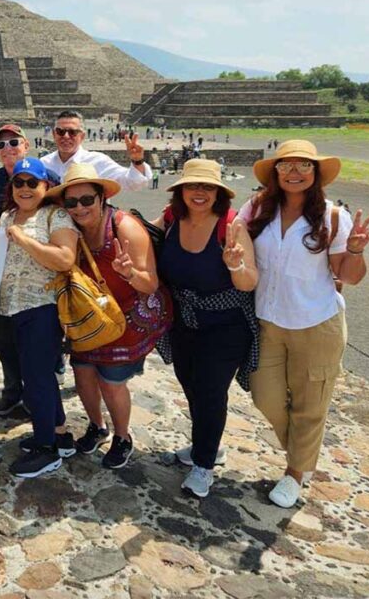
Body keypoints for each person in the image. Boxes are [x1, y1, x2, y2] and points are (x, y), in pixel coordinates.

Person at [240, 140, 369, 508]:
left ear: (315, 173)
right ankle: (303, 452)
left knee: (310, 404)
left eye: (304, 166)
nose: (295, 172)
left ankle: (296, 472)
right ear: (275, 172)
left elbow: (349, 275)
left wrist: (357, 249)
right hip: (267, 321)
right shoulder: (255, 209)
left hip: (316, 323)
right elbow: (233, 240)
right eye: (287, 165)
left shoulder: (332, 217)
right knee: (265, 396)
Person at [50, 163, 168, 469]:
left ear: (102, 198)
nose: (79, 208)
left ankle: (123, 436)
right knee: (83, 372)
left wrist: (129, 273)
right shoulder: (69, 228)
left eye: (87, 200)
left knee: (111, 381)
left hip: (126, 315)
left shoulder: (123, 227)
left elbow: (150, 283)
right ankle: (96, 425)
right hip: (89, 314)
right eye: (71, 202)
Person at [152, 160, 258, 498]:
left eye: (207, 187)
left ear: (218, 193)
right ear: (181, 190)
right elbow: (138, 232)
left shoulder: (232, 226)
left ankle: (204, 465)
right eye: (192, 186)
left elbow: (248, 282)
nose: (199, 193)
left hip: (226, 324)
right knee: (191, 385)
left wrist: (235, 264)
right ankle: (206, 445)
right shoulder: (170, 219)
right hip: (184, 320)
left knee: (212, 392)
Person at [0, 157, 79, 477]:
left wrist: (25, 240)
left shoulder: (55, 216)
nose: (25, 188)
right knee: (34, 375)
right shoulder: (6, 216)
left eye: (33, 182)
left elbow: (64, 258)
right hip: (10, 307)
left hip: (42, 308)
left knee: (38, 379)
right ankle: (59, 435)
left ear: (46, 187)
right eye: (19, 182)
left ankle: (47, 450)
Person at [0, 124, 31, 416]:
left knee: (35, 337)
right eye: (1, 145)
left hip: (36, 271)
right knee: (4, 338)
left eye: (13, 142)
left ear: (25, 145)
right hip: (1, 271)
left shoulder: (43, 177)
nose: (8, 148)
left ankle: (36, 391)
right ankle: (13, 389)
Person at [41, 110, 151, 192]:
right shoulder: (43, 164)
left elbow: (133, 183)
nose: (66, 136)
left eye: (72, 132)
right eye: (60, 131)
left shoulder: (98, 161)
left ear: (82, 136)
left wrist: (137, 161)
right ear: (54, 134)